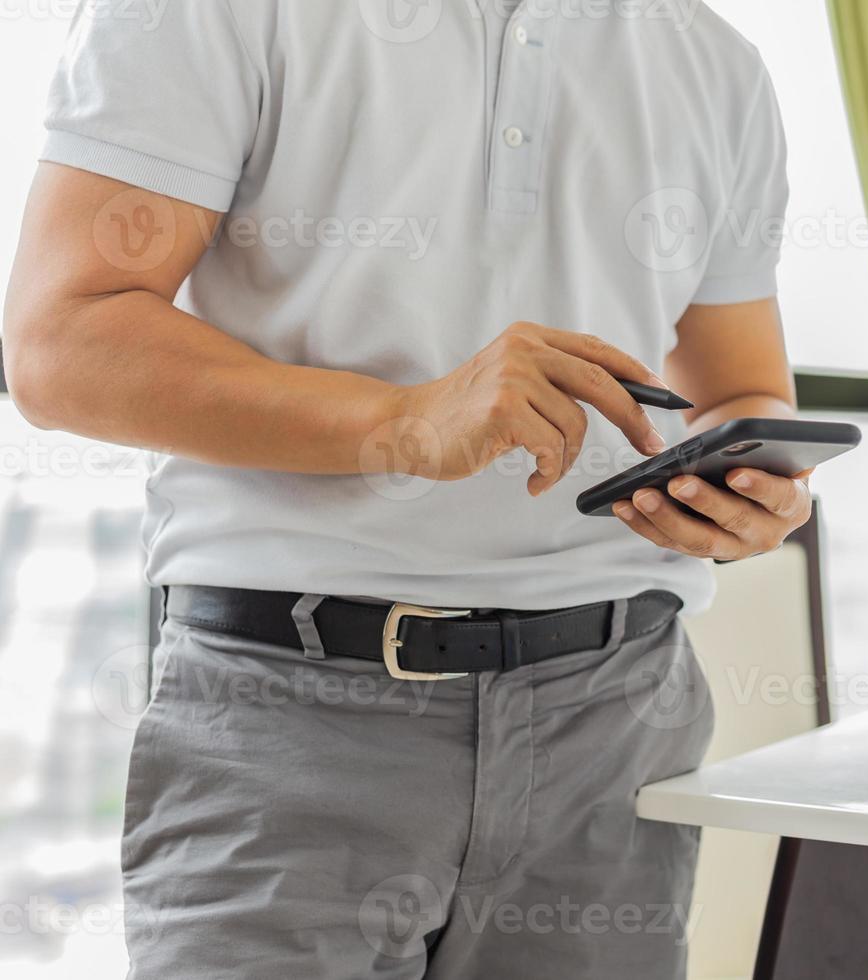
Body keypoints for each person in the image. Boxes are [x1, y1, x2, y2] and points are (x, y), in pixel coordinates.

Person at [2, 2, 805, 977]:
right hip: (288, 721)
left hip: (618, 720)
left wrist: (747, 492)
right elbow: (61, 343)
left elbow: (740, 389)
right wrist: (406, 421)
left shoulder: (713, 59)